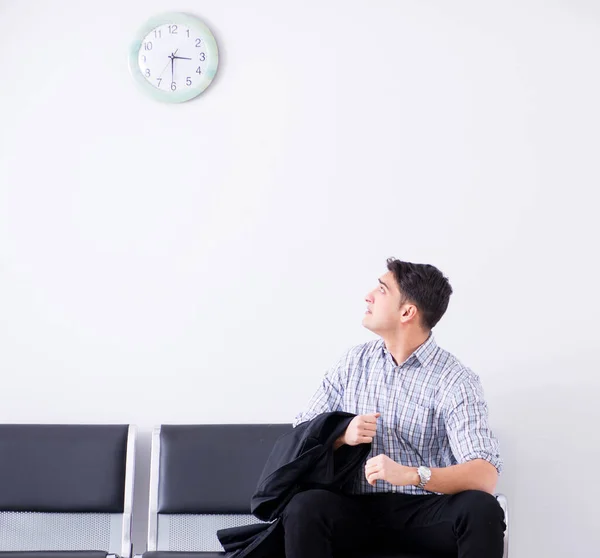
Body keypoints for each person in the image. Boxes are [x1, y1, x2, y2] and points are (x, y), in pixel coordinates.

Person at [285, 258, 506, 558]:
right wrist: (341, 434)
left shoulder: (455, 380)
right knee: (305, 508)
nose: (368, 296)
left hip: (425, 511)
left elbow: (484, 475)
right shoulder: (352, 363)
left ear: (407, 312)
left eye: (381, 290)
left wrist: (414, 475)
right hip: (356, 510)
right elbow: (300, 435)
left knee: (482, 510)